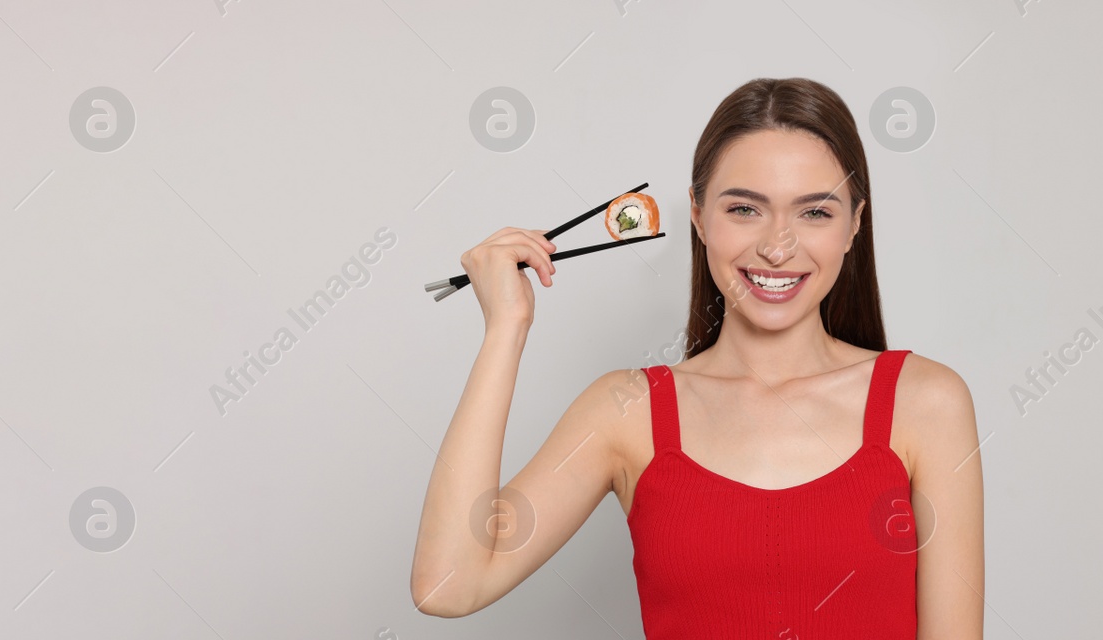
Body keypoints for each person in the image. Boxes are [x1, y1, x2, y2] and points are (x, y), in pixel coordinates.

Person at [409, 77, 984, 638]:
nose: (777, 246)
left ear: (855, 224)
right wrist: (505, 328)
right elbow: (448, 585)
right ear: (697, 213)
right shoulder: (624, 412)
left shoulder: (926, 402)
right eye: (744, 209)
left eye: (815, 212)